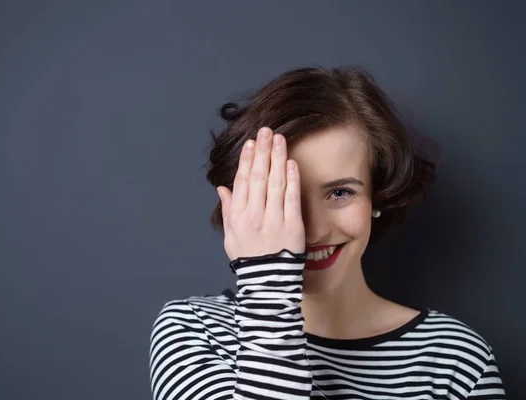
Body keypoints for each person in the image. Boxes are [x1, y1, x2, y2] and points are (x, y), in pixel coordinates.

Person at [148, 66, 506, 399]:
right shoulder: (194, 331)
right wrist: (269, 285)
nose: (314, 230)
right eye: (284, 195)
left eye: (340, 192)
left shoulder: (457, 361)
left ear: (376, 197)